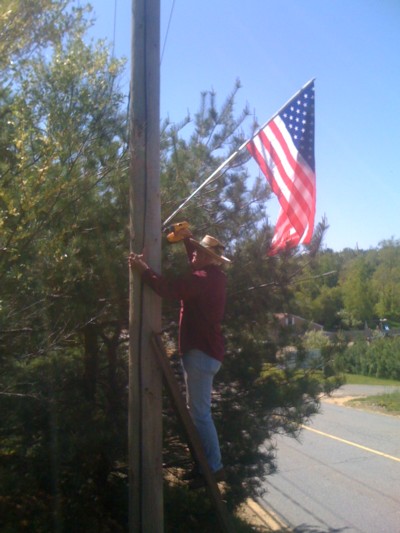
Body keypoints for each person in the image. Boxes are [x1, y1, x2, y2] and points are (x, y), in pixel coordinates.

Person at [128, 232, 230, 489]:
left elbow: (168, 289)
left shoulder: (202, 279)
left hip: (200, 354)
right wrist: (188, 240)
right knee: (198, 414)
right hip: (207, 353)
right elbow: (196, 263)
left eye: (197, 251)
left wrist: (143, 270)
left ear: (209, 257)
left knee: (200, 414)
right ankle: (204, 465)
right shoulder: (214, 277)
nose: (192, 254)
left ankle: (214, 467)